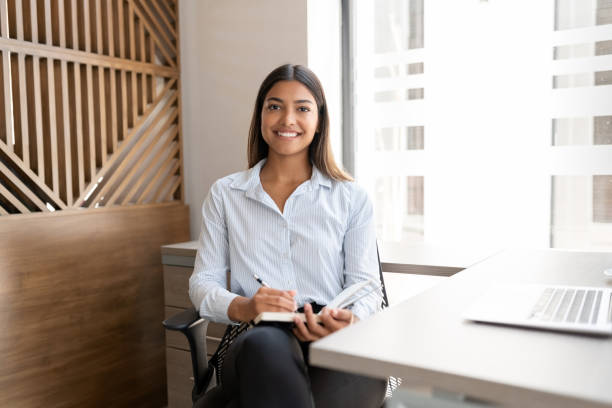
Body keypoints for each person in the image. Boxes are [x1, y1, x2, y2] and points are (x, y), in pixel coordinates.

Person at [189, 64, 386, 408]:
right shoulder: (226, 194)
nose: (287, 119)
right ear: (261, 115)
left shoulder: (351, 198)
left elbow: (368, 286)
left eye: (303, 108)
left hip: (335, 338)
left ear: (320, 120)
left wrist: (350, 321)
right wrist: (245, 305)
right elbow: (202, 282)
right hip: (258, 335)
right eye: (275, 106)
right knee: (267, 351)